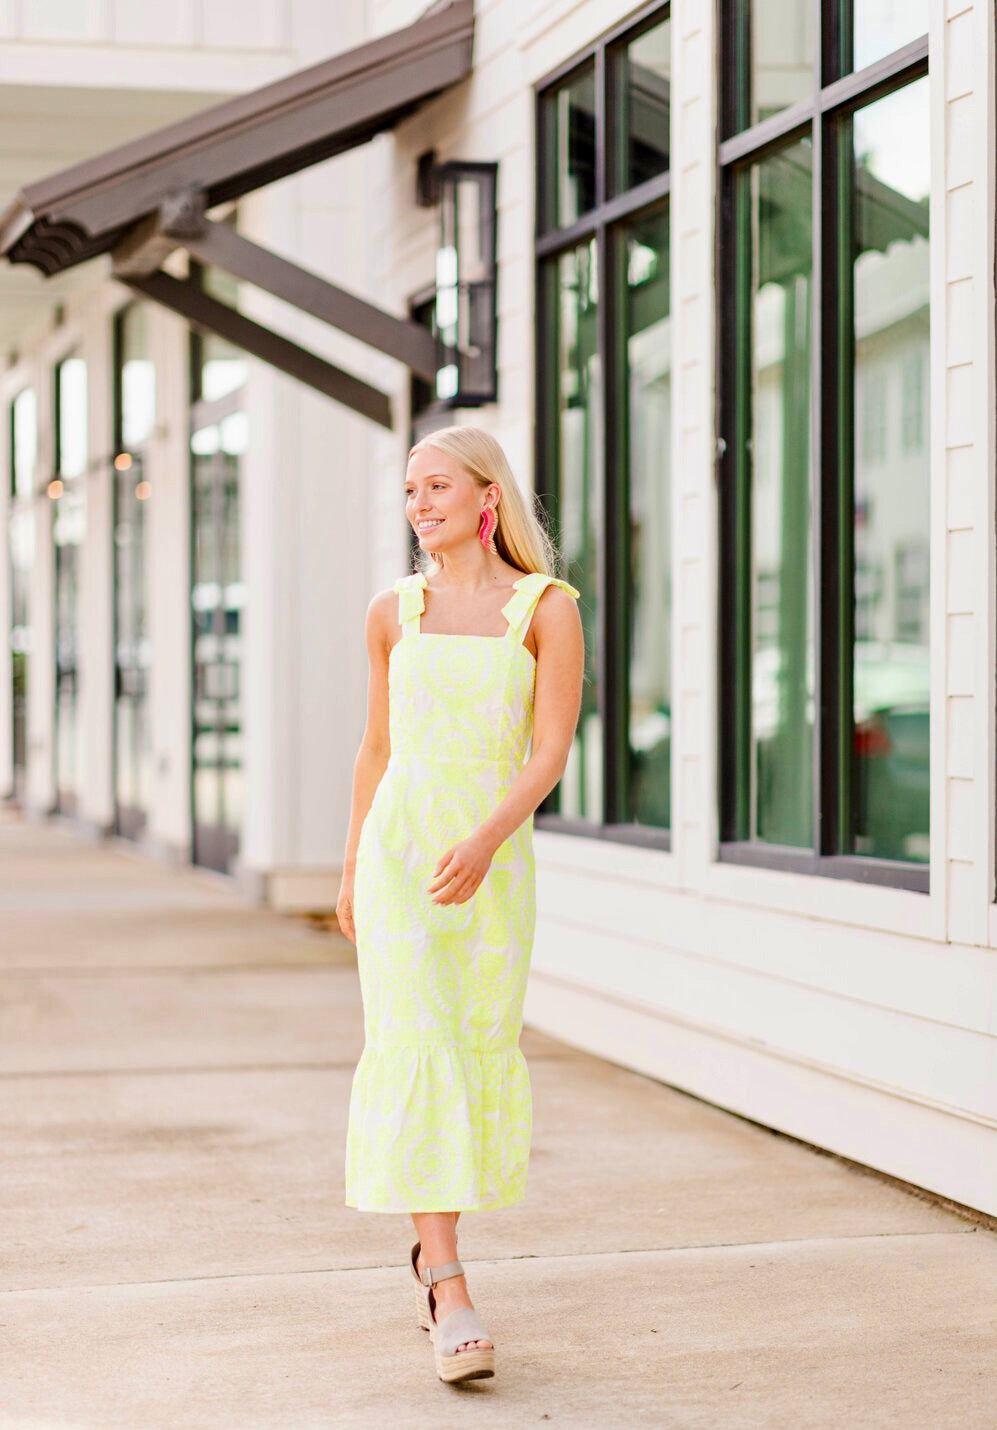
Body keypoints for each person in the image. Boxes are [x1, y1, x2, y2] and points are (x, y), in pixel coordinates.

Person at [335, 425, 584, 1385]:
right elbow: (376, 749)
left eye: (436, 486)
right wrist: (351, 869)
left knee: (471, 1044)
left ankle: (433, 1264)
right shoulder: (391, 611)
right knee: (416, 1043)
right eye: (410, 491)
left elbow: (548, 753)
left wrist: (485, 842)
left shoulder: (545, 609)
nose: (419, 505)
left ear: (487, 495)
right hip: (400, 862)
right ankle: (447, 1285)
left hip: (491, 867)